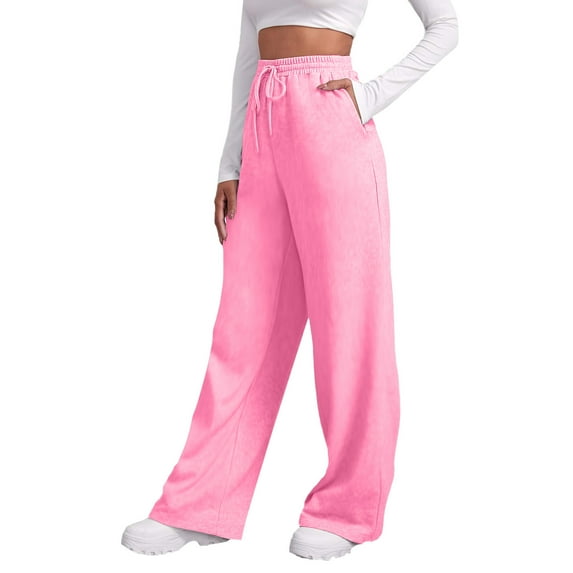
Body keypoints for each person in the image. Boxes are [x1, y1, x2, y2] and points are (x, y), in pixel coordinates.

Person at [121, 0, 458, 561]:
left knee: (349, 327)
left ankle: (348, 510)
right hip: (263, 132)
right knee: (242, 330)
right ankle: (200, 503)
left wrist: (370, 97)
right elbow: (247, 58)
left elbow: (445, 27)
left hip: (333, 125)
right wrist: (230, 164)